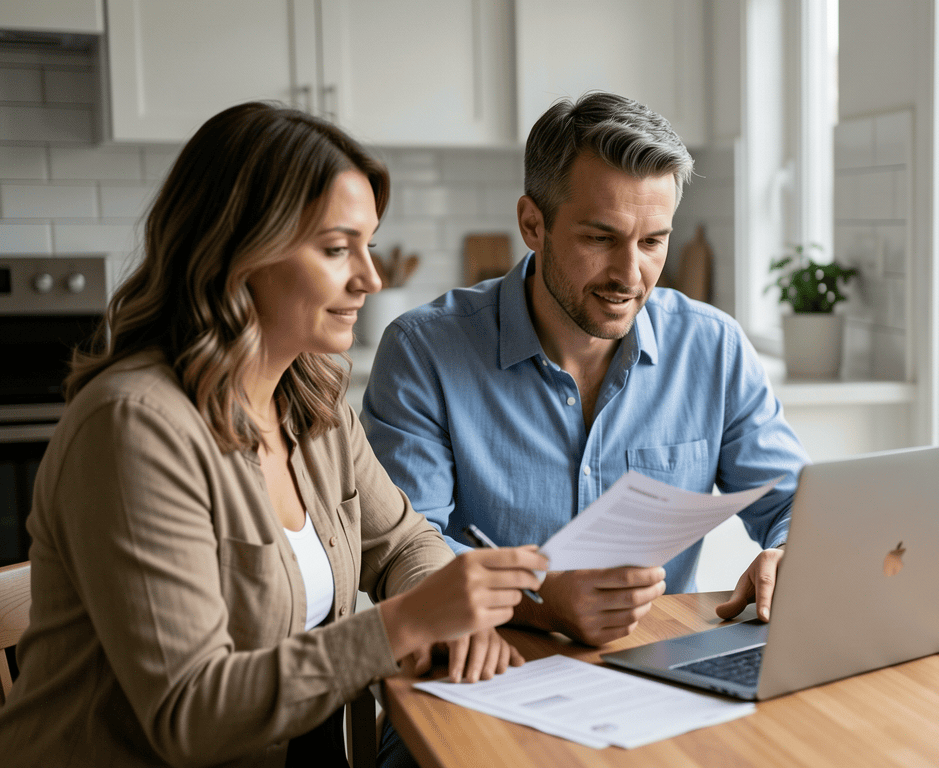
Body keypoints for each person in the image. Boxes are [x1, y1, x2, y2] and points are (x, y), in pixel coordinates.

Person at [0, 102, 546, 768]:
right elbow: (189, 714)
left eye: (368, 244)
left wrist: (448, 617)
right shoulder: (135, 426)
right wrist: (405, 622)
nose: (370, 278)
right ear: (239, 251)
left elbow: (403, 542)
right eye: (336, 247)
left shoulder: (311, 403)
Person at [362, 91, 810, 649]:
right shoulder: (423, 351)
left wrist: (790, 553)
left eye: (653, 242)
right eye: (601, 238)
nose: (630, 274)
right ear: (532, 223)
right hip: (487, 671)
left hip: (655, 676)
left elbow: (796, 500)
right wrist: (539, 598)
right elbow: (405, 556)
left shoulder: (712, 347)